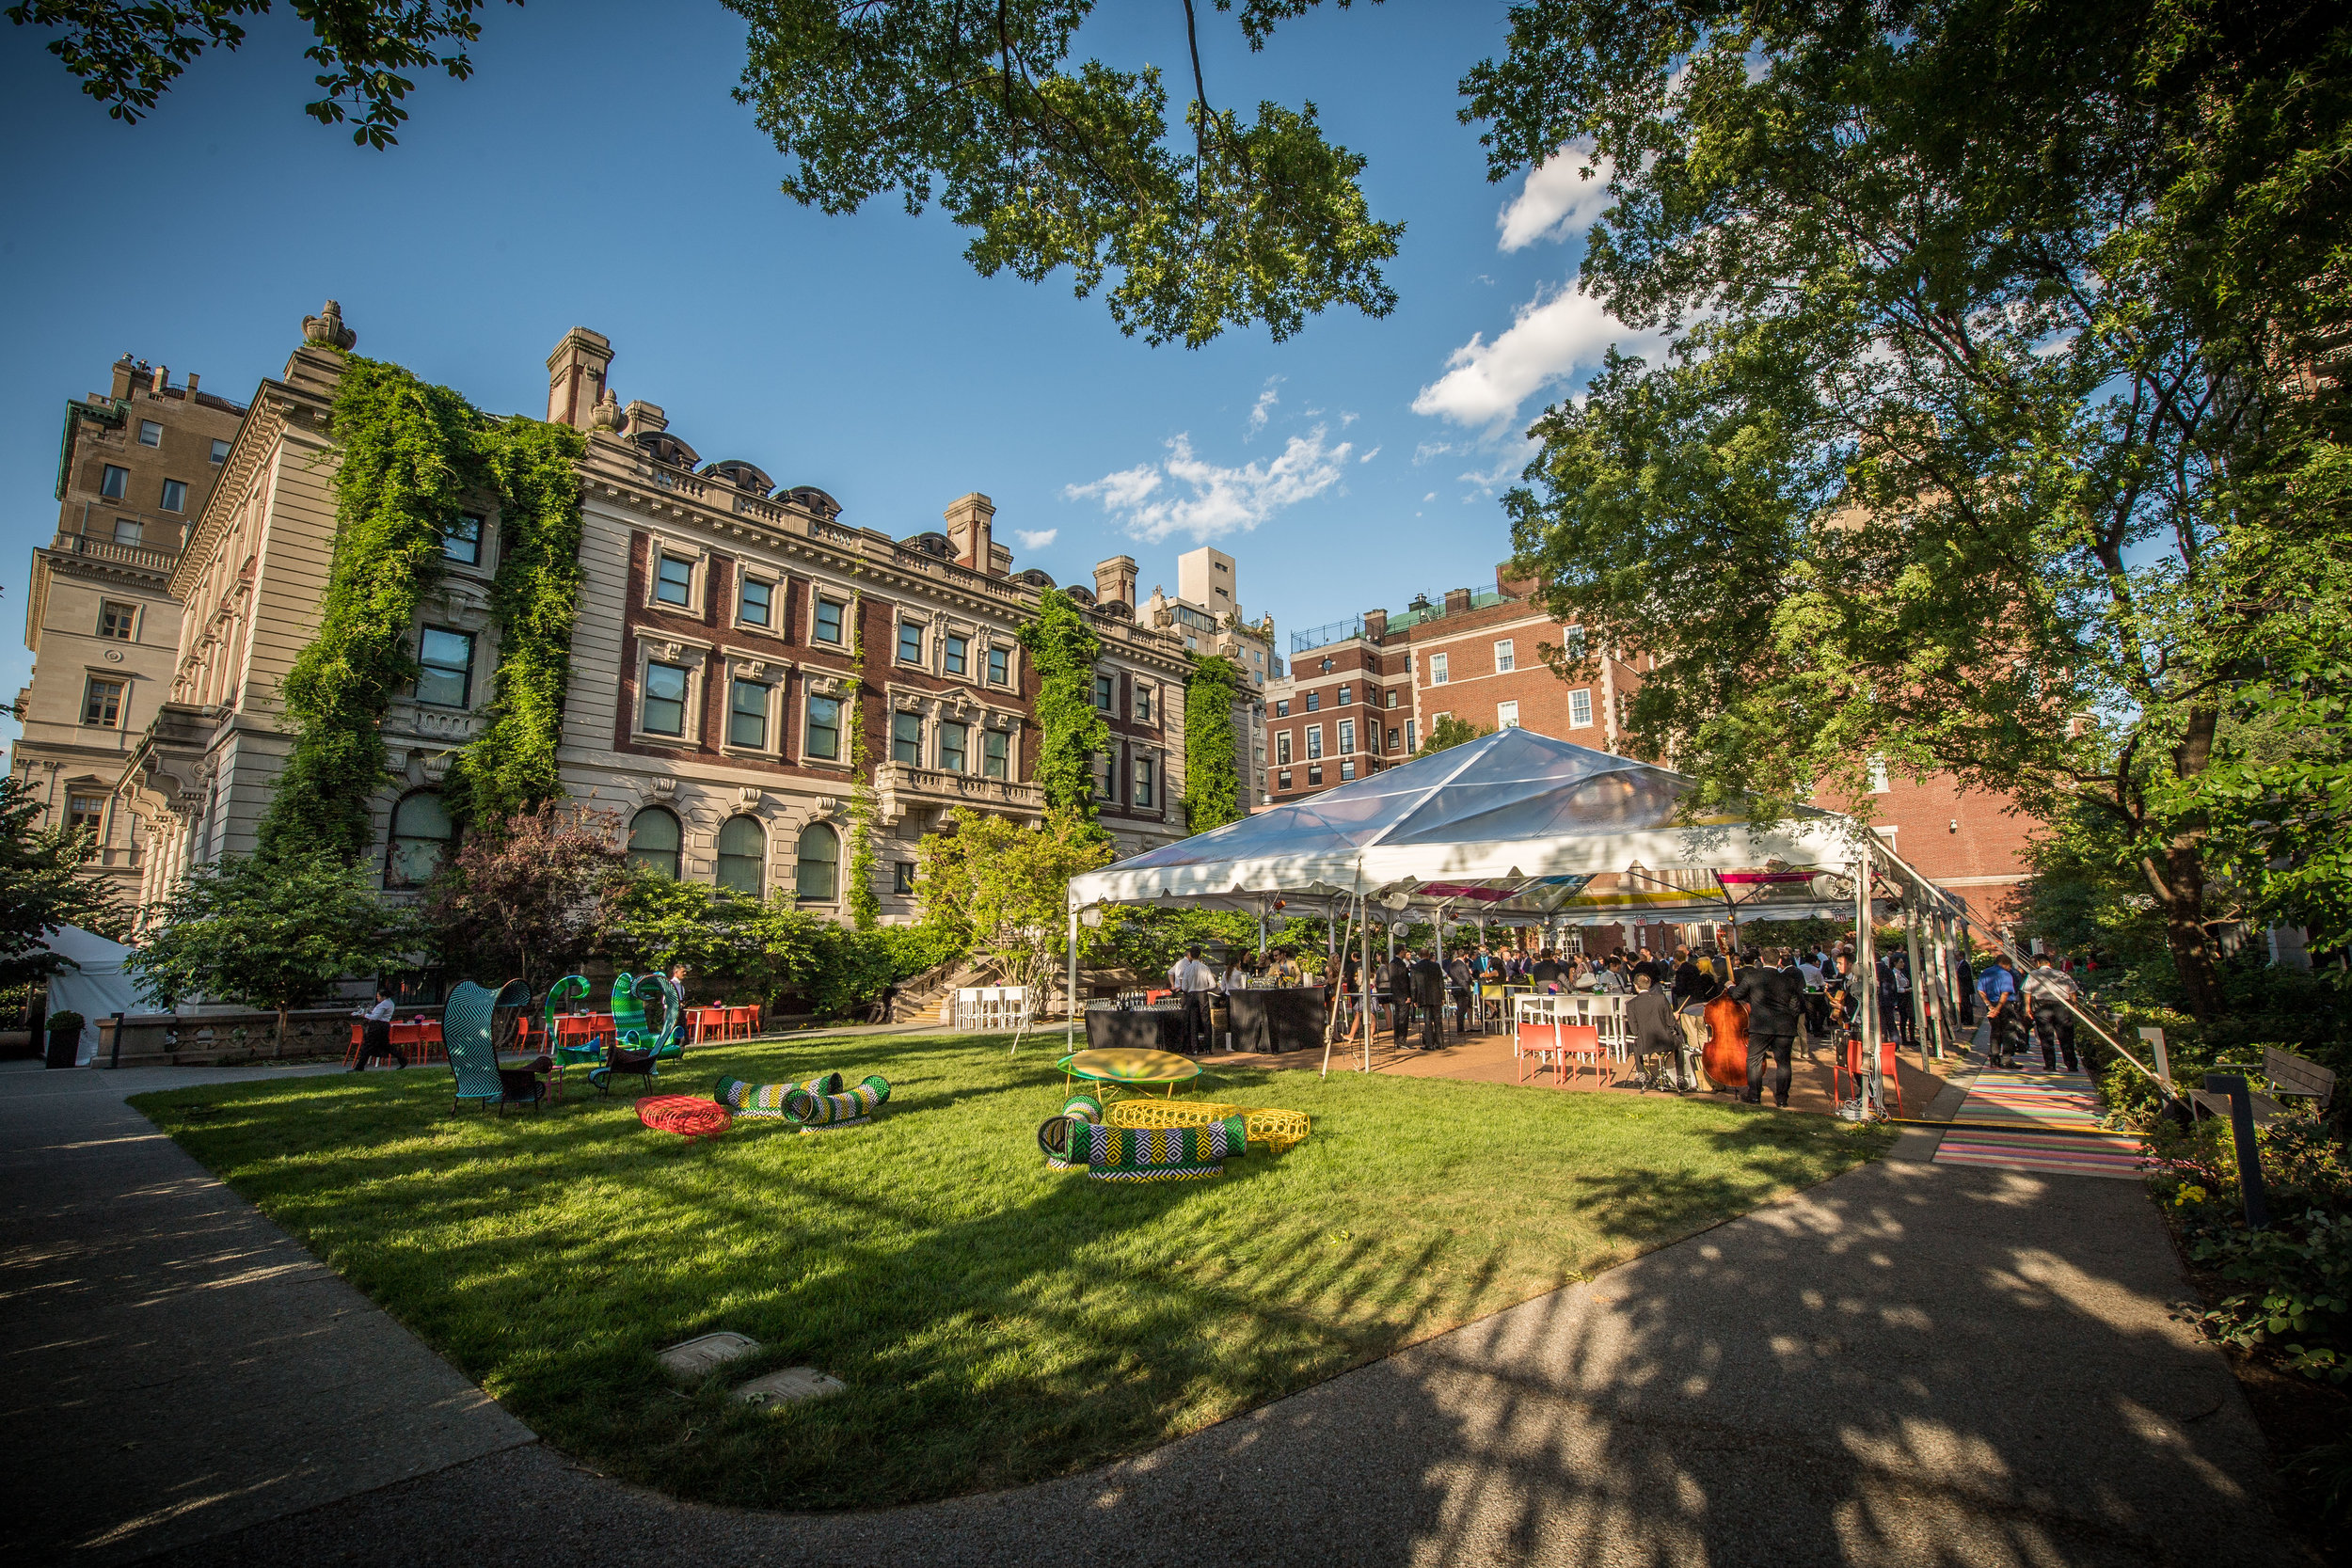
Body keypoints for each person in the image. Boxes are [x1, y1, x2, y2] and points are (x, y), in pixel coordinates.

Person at [1727, 946, 1804, 1108]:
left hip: (1760, 1025)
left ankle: (1755, 1096)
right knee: (1783, 1063)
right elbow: (1796, 1005)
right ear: (1779, 961)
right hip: (1784, 1026)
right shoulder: (1789, 980)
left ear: (1761, 960)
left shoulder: (1753, 977)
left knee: (1754, 1060)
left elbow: (1736, 995)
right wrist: (1791, 1020)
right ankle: (1782, 1099)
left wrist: (1730, 986)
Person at [1626, 969, 1691, 1091]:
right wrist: (1675, 1017)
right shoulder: (1661, 998)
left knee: (1636, 1044)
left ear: (1635, 986)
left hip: (1645, 1043)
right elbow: (1671, 1023)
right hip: (1665, 1041)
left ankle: (1641, 1075)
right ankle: (1680, 1078)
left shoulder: (1631, 1004)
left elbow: (1634, 1030)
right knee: (1679, 1045)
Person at [2025, 960, 2083, 1072]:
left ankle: (2050, 1064)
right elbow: (2073, 992)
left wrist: (2028, 1008)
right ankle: (2071, 1064)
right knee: (2066, 1037)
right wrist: (2074, 1007)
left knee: (2046, 1037)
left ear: (2038, 963)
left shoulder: (2033, 975)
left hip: (2042, 1007)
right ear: (2050, 964)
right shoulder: (2062, 974)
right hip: (2062, 1006)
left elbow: (2027, 992)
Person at [1168, 945, 1217, 1053]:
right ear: (1200, 955)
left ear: (1191, 955)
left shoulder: (1188, 969)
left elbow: (1184, 987)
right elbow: (1213, 984)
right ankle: (1208, 1048)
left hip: (1191, 994)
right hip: (1202, 994)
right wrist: (1205, 988)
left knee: (1193, 1021)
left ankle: (1194, 1048)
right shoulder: (1205, 968)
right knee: (1206, 1020)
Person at [1977, 954, 2024, 1067]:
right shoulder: (2005, 975)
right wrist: (1998, 1008)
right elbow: (2005, 993)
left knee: (1995, 1031)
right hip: (2005, 1005)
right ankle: (2007, 1058)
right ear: (2005, 964)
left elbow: (1981, 991)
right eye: (2009, 965)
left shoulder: (1985, 973)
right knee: (2008, 1031)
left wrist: (1989, 1005)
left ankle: (1994, 1058)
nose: (2010, 968)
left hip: (1991, 1003)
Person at [350, 987, 405, 1070]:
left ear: (384, 997)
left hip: (378, 1026)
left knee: (368, 1046)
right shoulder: (390, 1003)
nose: (377, 998)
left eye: (378, 996)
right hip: (383, 1025)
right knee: (385, 1045)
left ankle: (359, 1067)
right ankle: (402, 1059)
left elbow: (375, 1017)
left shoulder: (384, 1004)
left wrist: (364, 1015)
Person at [1409, 949, 1448, 1050]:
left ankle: (1429, 1044)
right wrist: (1442, 997)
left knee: (1427, 1021)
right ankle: (1441, 1043)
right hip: (1436, 996)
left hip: (1423, 996)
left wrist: (1414, 999)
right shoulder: (1436, 966)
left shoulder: (1415, 967)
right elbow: (1441, 982)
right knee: (1438, 1020)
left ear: (1419, 955)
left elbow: (1413, 985)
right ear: (1428, 955)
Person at [1386, 949, 1416, 1045]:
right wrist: (1407, 995)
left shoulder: (1393, 963)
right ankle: (1401, 1041)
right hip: (1403, 996)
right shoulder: (1400, 964)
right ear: (1401, 951)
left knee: (1398, 1017)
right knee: (1403, 1018)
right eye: (1404, 951)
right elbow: (1403, 981)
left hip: (1397, 995)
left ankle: (1398, 1040)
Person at [1446, 951, 1476, 1033]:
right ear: (1465, 955)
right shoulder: (1462, 965)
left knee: (1460, 1009)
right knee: (1462, 1010)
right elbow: (1467, 978)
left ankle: (1460, 1029)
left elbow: (1450, 974)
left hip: (1455, 988)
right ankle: (1460, 1030)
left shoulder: (1453, 964)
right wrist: (1471, 982)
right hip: (1463, 989)